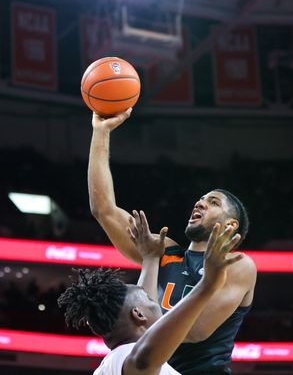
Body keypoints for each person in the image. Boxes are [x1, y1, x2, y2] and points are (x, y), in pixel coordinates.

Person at [87, 109, 257, 374]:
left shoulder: (237, 264)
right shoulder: (160, 251)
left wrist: (139, 318)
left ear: (230, 225)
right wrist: (101, 131)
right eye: (201, 198)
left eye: (213, 202)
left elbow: (195, 329)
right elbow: (103, 209)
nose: (200, 202)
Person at [58, 212, 243, 375]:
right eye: (149, 299)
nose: (156, 301)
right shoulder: (127, 358)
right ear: (138, 314)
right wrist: (207, 285)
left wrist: (151, 258)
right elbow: (143, 360)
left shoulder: (118, 359)